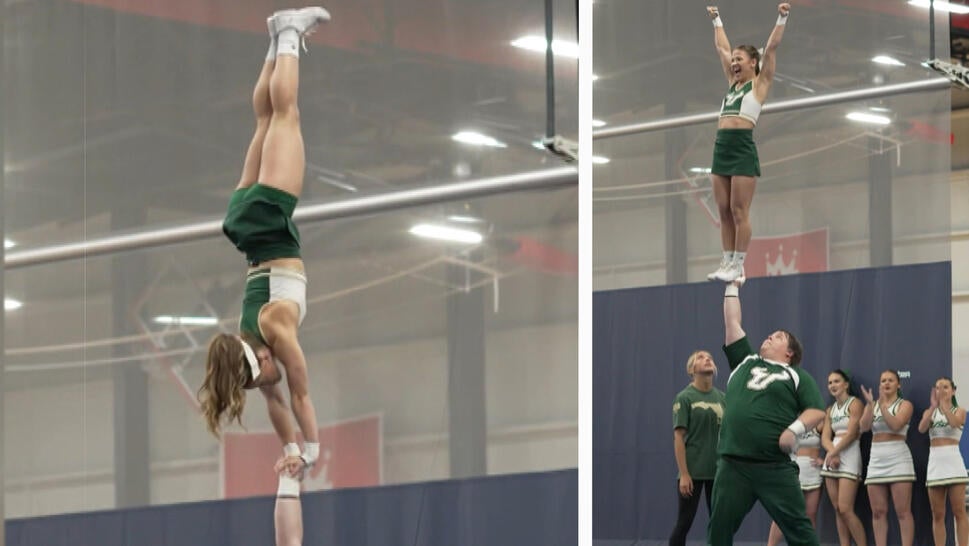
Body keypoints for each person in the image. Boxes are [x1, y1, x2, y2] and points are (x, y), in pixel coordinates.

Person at [195, 6, 331, 545]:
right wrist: (290, 450)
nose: (270, 381)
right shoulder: (249, 346)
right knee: (263, 122)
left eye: (266, 375)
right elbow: (276, 403)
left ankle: (291, 33)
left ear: (263, 359)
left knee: (286, 116)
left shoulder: (277, 329)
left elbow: (299, 396)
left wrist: (313, 451)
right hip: (243, 224)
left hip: (270, 218)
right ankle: (276, 40)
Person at [707, 280, 825, 546]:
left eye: (778, 336)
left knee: (800, 531)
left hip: (775, 466)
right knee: (718, 530)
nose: (770, 336)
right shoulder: (745, 361)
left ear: (789, 353)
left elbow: (817, 411)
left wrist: (793, 430)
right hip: (733, 465)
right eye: (771, 334)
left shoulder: (796, 375)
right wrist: (732, 285)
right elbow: (732, 322)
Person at [705, 3, 790, 283]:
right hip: (721, 148)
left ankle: (739, 264)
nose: (734, 63)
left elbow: (772, 47)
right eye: (733, 60)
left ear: (753, 63)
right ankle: (727, 260)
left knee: (739, 210)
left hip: (741, 148)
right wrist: (717, 20)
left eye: (739, 59)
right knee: (723, 211)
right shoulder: (732, 83)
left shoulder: (759, 84)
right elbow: (721, 48)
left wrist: (782, 17)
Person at [669, 350, 726, 546]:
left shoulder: (722, 398)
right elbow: (678, 437)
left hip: (718, 472)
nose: (707, 359)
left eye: (710, 357)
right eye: (700, 357)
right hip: (692, 472)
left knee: (719, 524)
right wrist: (684, 474)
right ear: (691, 370)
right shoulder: (684, 397)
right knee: (684, 523)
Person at [859, 371, 915, 546]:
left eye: (891, 380)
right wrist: (870, 405)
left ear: (898, 384)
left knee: (902, 511)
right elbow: (864, 427)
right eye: (883, 380)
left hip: (899, 458)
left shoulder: (905, 405)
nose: (886, 383)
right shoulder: (873, 404)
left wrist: (882, 406)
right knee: (878, 512)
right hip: (876, 459)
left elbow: (896, 425)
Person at [918, 377, 969, 546]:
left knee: (959, 512)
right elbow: (921, 428)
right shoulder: (930, 412)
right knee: (938, 514)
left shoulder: (959, 411)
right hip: (935, 465)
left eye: (945, 387)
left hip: (954, 464)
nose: (941, 390)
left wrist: (945, 407)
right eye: (938, 387)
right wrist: (933, 407)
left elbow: (954, 423)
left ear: (953, 391)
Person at [820, 370, 867, 546]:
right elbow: (825, 437)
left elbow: (853, 433)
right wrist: (832, 452)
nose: (832, 385)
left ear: (846, 384)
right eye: (830, 382)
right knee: (838, 509)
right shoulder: (830, 410)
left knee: (846, 509)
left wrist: (834, 453)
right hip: (832, 456)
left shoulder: (855, 403)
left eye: (836, 381)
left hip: (850, 453)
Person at [766, 421, 824, 546]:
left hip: (812, 472)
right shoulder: (789, 418)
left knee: (810, 515)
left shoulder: (820, 421)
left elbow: (834, 438)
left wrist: (826, 458)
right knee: (783, 513)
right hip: (793, 470)